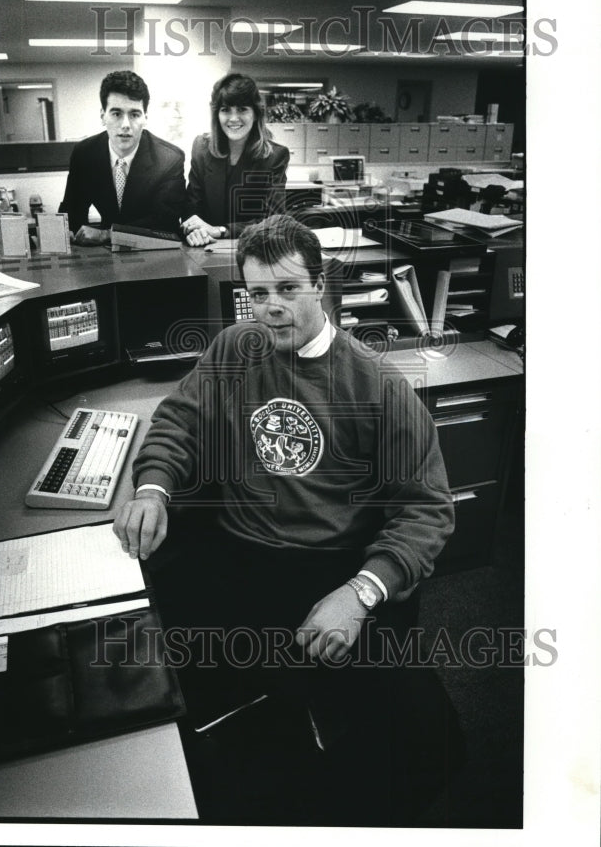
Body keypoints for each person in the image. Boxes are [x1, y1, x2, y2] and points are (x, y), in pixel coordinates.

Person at [113, 214, 455, 753]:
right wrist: (153, 488)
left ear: (320, 286)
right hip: (239, 549)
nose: (272, 307)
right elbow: (179, 420)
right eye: (258, 292)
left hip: (330, 563)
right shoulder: (235, 348)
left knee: (414, 733)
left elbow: (427, 510)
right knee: (142, 672)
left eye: (289, 289)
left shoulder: (377, 385)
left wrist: (361, 593)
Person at [58, 70, 187, 245]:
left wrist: (107, 235)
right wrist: (67, 233)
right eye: (116, 114)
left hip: (153, 253)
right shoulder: (85, 154)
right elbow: (72, 212)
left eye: (134, 114)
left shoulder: (169, 159)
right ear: (103, 116)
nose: (126, 125)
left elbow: (165, 224)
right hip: (104, 259)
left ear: (145, 118)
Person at [181, 73, 289, 247]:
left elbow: (274, 222)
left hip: (254, 250)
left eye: (242, 109)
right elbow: (192, 208)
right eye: (225, 110)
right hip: (204, 250)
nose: (233, 118)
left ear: (256, 114)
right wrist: (195, 230)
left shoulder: (274, 157)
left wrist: (221, 230)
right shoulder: (201, 148)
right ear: (217, 114)